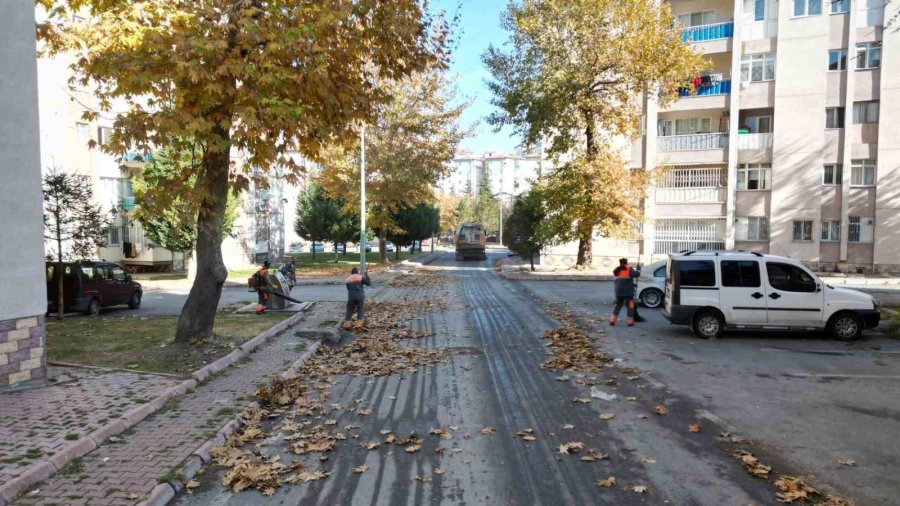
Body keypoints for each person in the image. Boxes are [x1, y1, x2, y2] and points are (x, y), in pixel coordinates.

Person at [610, 258, 641, 326]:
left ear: (620, 263)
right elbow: (636, 274)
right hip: (628, 292)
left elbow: (621, 280)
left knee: (617, 306)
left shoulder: (617, 269)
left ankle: (612, 320)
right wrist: (639, 269)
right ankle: (630, 322)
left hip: (619, 292)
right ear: (626, 262)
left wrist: (631, 284)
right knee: (630, 306)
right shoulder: (629, 269)